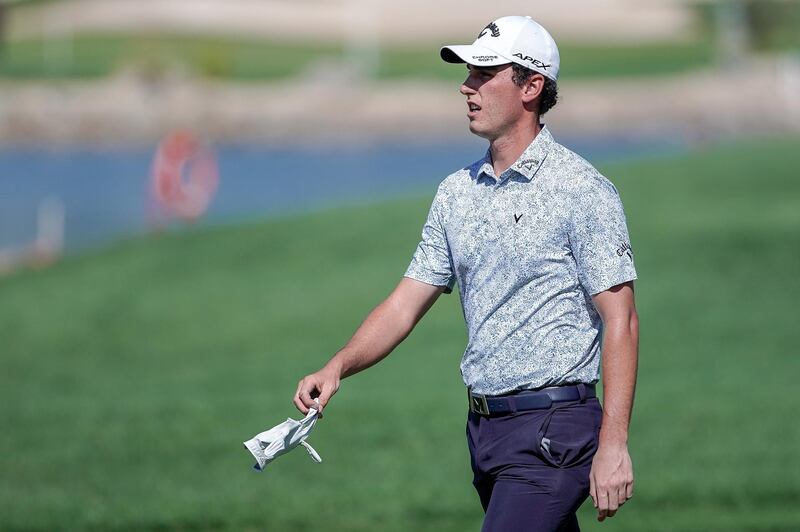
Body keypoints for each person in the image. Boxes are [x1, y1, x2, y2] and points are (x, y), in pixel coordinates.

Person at [294, 15, 639, 531]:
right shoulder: (457, 192)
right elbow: (404, 303)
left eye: (484, 73)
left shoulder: (582, 190)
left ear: (532, 86)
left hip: (554, 431)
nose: (467, 86)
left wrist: (614, 447)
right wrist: (337, 366)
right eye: (468, 73)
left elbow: (622, 320)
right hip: (485, 432)